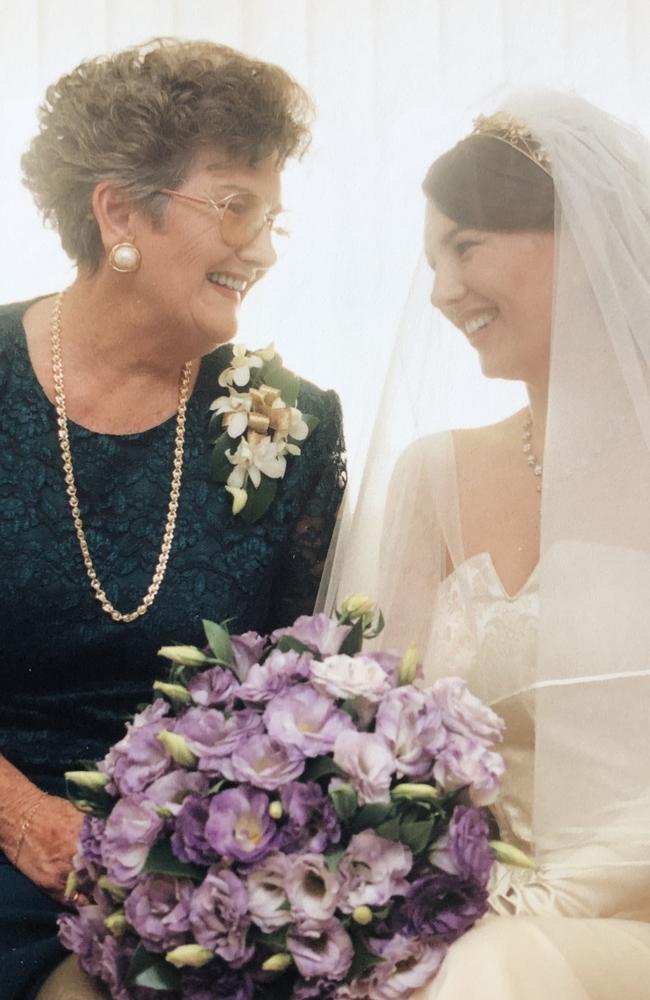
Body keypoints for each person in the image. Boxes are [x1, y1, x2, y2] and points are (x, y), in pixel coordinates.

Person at [0, 39, 345, 999]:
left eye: (272, 218)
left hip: (191, 878)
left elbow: (299, 694)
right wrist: (22, 816)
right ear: (118, 210)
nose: (263, 250)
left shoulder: (297, 422)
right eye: (235, 207)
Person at [326, 92, 650, 998]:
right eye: (431, 261)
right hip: (466, 918)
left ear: (583, 243)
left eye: (465, 248)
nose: (441, 292)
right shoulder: (438, 477)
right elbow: (381, 746)